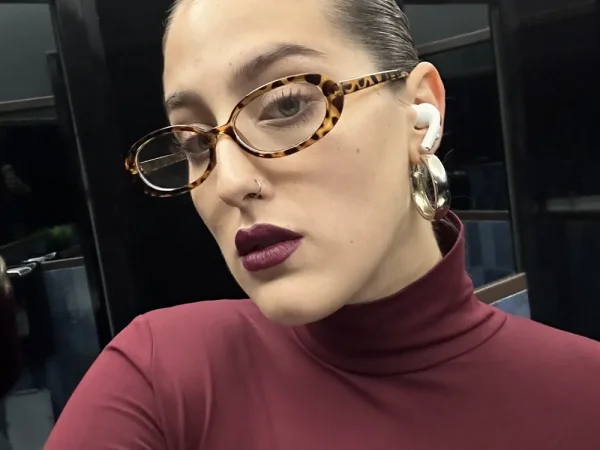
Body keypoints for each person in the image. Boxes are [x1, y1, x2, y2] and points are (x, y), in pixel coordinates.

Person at [45, 0, 600, 448]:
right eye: (194, 143)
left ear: (419, 113)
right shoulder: (161, 376)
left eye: (286, 105)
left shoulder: (582, 396)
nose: (230, 183)